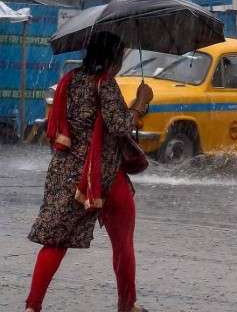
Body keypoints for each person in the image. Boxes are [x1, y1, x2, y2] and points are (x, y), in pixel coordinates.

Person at [25, 32, 153, 312]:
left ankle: (32, 306)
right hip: (103, 175)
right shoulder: (104, 83)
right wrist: (141, 103)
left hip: (65, 173)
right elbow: (119, 126)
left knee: (55, 240)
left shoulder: (69, 81)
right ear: (113, 58)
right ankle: (127, 305)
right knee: (122, 243)